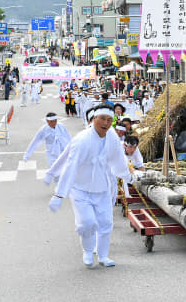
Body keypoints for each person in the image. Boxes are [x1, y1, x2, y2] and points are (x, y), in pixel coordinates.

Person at [49, 105, 133, 267]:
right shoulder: (82, 140)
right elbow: (70, 166)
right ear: (94, 119)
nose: (105, 123)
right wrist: (59, 194)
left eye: (109, 120)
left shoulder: (113, 138)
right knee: (86, 223)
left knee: (105, 224)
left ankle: (102, 256)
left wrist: (129, 177)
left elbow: (118, 160)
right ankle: (88, 251)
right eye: (102, 118)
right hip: (81, 190)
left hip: (101, 189)